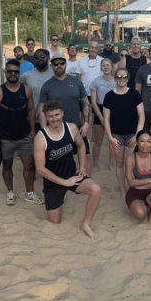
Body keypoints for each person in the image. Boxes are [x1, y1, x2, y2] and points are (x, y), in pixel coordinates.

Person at [34, 100, 101, 239]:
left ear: (62, 114)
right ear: (46, 117)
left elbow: (81, 146)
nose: (54, 119)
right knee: (54, 222)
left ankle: (86, 224)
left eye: (57, 114)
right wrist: (65, 183)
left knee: (96, 189)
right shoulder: (41, 138)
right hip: (53, 182)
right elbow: (40, 169)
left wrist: (82, 167)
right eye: (50, 116)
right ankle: (59, 200)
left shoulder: (71, 128)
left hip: (72, 175)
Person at [0, 59, 43, 206]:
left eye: (16, 71)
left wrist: (32, 130)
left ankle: (30, 193)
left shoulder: (26, 90)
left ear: (19, 73)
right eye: (10, 71)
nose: (13, 74)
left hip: (24, 135)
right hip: (5, 137)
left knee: (30, 165)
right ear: (5, 72)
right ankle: (10, 191)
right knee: (7, 165)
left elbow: (31, 110)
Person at [103, 68, 144, 200]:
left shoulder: (135, 94)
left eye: (124, 77)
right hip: (117, 136)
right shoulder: (109, 96)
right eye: (119, 77)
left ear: (128, 78)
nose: (121, 79)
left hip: (132, 135)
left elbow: (142, 116)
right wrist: (110, 138)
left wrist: (137, 136)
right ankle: (122, 189)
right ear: (115, 78)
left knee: (131, 163)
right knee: (119, 163)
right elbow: (106, 119)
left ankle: (133, 187)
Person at [38, 55, 91, 155]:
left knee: (85, 155)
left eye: (61, 63)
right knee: (59, 160)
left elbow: (85, 103)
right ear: (51, 66)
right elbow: (42, 108)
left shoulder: (76, 82)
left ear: (65, 64)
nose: (59, 66)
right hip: (55, 129)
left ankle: (84, 171)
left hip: (77, 127)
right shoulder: (47, 85)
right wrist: (44, 130)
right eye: (56, 64)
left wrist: (86, 123)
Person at [124, 130, 151, 221]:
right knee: (140, 214)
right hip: (134, 193)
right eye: (142, 141)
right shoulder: (130, 159)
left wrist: (139, 185)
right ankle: (142, 206)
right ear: (137, 142)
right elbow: (130, 182)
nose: (145, 144)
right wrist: (148, 180)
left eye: (148, 141)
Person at [89, 58, 117, 171]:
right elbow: (93, 102)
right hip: (100, 110)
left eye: (108, 65)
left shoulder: (116, 81)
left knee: (112, 141)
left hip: (113, 112)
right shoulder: (95, 82)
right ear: (101, 68)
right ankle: (95, 164)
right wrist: (101, 118)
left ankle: (111, 164)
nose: (106, 67)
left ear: (111, 67)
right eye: (104, 66)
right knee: (98, 141)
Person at [20, 49, 54, 132]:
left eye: (42, 56)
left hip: (53, 118)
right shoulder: (27, 76)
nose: (40, 59)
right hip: (34, 119)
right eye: (37, 57)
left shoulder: (55, 73)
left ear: (48, 58)